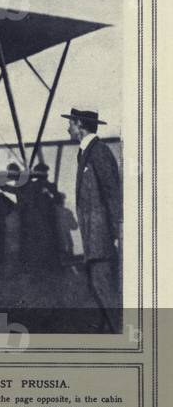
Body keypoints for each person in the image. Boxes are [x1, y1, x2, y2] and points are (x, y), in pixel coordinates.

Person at [62, 108, 122, 331]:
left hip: (101, 236)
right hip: (94, 236)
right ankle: (105, 327)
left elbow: (113, 193)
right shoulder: (87, 152)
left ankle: (120, 331)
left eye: (70, 123)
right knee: (96, 284)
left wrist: (118, 230)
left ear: (79, 124)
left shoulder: (99, 152)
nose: (68, 128)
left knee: (103, 285)